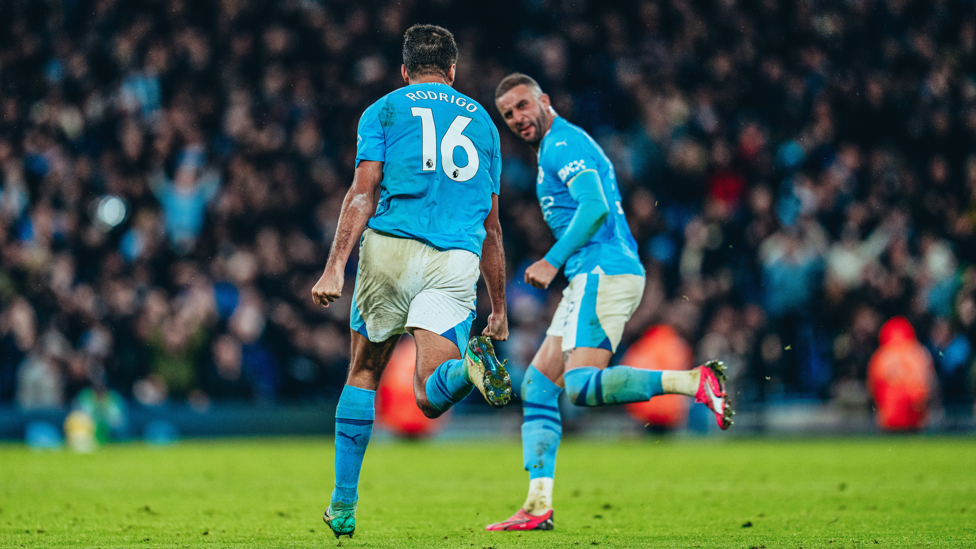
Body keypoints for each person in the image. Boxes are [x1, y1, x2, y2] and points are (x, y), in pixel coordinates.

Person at [487, 73, 733, 532]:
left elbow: (595, 205)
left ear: (544, 100)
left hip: (602, 271)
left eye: (522, 106)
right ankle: (538, 506)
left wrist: (552, 260)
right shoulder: (552, 151)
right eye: (508, 115)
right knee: (539, 388)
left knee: (580, 386)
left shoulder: (563, 144)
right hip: (592, 275)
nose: (518, 118)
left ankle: (695, 381)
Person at [309, 24, 511, 539]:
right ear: (452, 71)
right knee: (428, 395)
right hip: (456, 260)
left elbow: (362, 193)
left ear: (404, 70)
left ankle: (344, 504)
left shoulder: (384, 110)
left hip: (391, 250)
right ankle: (469, 370)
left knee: (364, 372)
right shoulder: (484, 125)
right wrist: (500, 308)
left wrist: (334, 265)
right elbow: (491, 226)